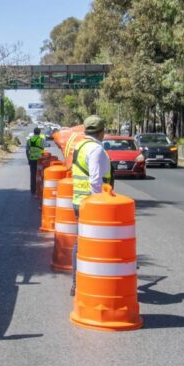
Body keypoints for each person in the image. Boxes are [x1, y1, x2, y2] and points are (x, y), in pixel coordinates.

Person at [70, 115, 112, 296]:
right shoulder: (95, 149)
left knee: (82, 242)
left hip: (79, 200)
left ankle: (78, 282)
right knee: (92, 243)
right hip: (91, 203)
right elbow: (95, 180)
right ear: (101, 132)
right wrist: (99, 204)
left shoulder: (80, 145)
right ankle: (86, 283)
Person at [26, 127, 45, 194]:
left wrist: (28, 159)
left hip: (32, 159)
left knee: (33, 175)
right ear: (39, 133)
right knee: (40, 174)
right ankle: (39, 190)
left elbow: (27, 151)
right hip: (40, 160)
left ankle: (33, 190)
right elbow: (43, 149)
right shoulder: (41, 140)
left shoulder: (29, 140)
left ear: (34, 132)